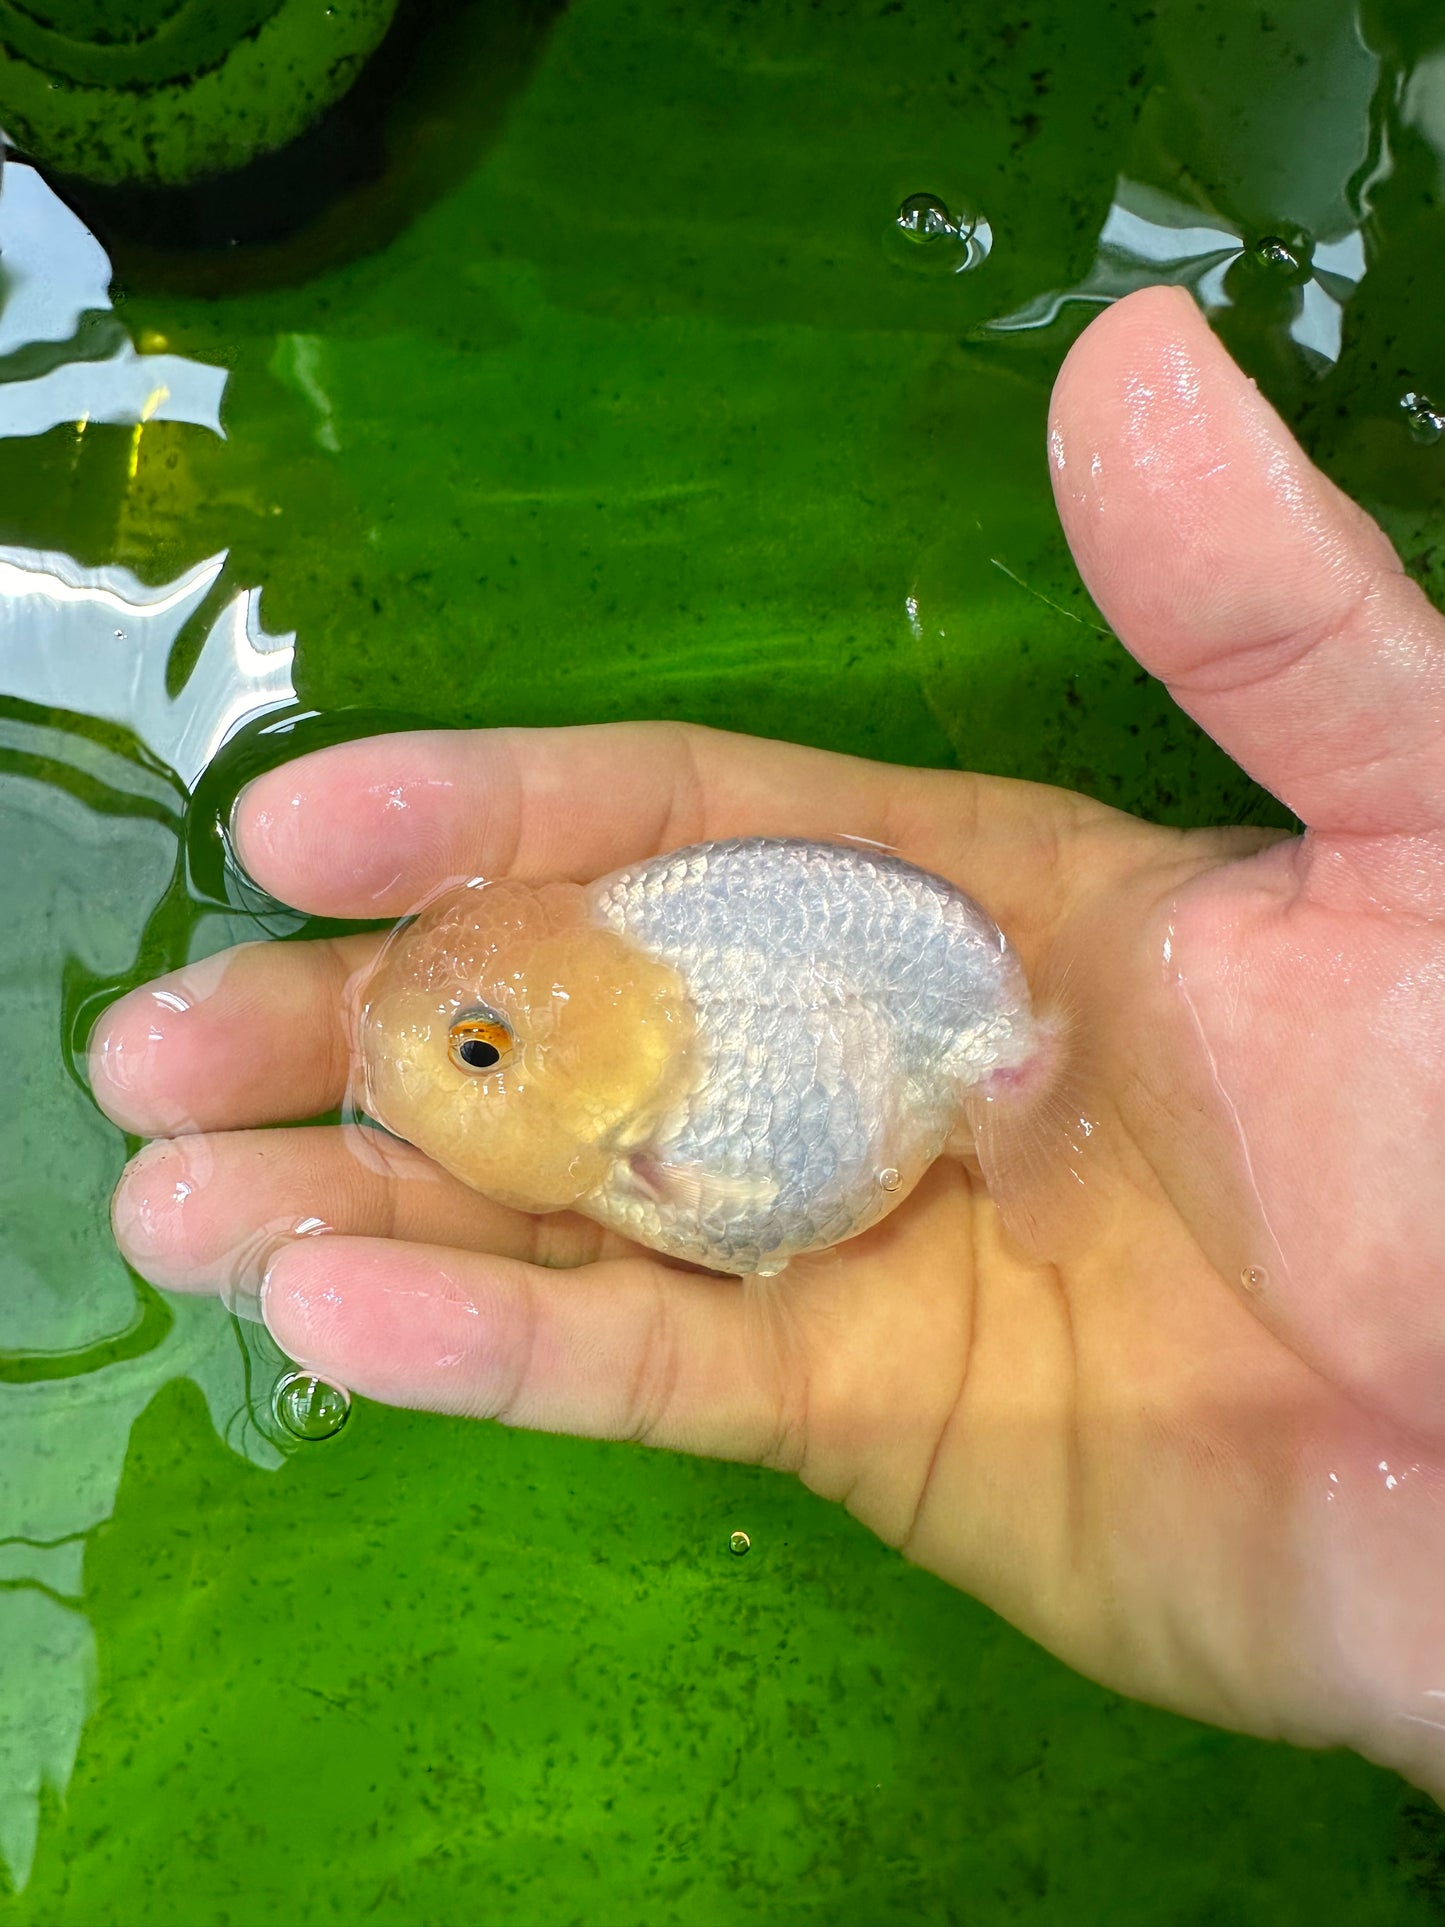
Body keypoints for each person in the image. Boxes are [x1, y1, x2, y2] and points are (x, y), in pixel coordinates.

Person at [89, 285, 1445, 1798]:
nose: (434, 1077)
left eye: (478, 1052)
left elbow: (792, 1149)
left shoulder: (674, 1091)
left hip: (953, 1030)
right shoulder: (635, 997)